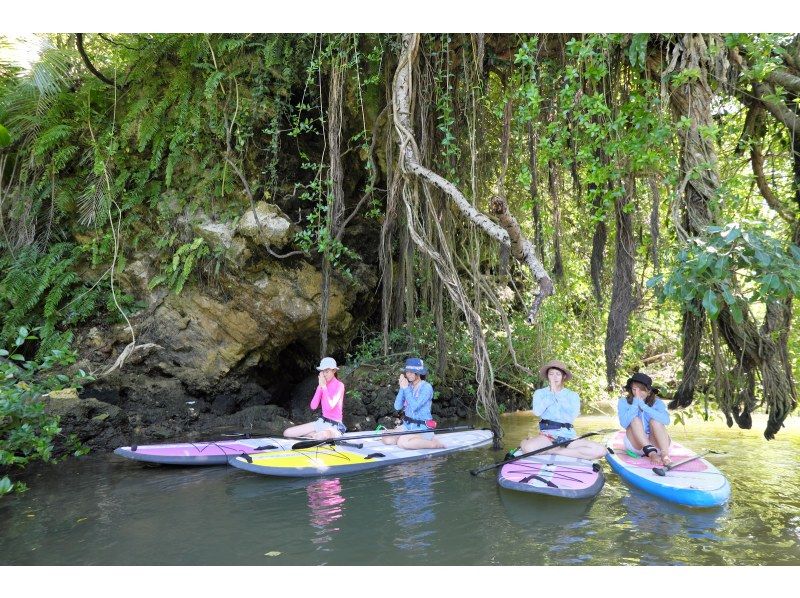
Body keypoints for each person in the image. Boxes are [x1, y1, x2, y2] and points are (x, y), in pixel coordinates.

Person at [519, 360, 606, 460]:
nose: (554, 377)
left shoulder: (573, 395)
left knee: (601, 451)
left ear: (563, 376)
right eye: (551, 374)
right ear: (547, 376)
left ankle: (557, 451)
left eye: (558, 374)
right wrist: (551, 394)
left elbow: (571, 416)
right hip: (548, 436)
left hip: (568, 437)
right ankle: (527, 441)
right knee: (528, 448)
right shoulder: (540, 393)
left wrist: (558, 394)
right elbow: (537, 412)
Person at [382, 357, 445, 450]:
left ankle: (434, 444)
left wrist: (406, 388)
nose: (409, 374)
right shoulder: (408, 386)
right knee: (387, 438)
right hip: (407, 426)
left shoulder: (426, 387)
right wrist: (402, 387)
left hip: (422, 428)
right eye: (407, 372)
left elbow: (414, 406)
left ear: (418, 373)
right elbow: (397, 406)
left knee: (402, 442)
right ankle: (409, 437)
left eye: (412, 372)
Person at [283, 357, 346, 440]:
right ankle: (314, 435)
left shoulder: (339, 385)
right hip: (321, 422)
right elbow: (313, 406)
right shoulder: (322, 385)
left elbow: (329, 407)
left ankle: (315, 435)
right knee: (287, 433)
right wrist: (320, 386)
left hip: (334, 425)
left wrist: (323, 387)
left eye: (327, 371)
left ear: (334, 371)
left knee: (321, 436)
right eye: (323, 371)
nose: (324, 374)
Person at [617, 372, 671, 465]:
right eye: (634, 389)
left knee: (655, 421)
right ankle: (652, 453)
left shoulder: (657, 403)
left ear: (649, 391)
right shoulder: (623, 402)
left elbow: (666, 421)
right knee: (635, 420)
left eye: (642, 390)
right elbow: (624, 423)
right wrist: (635, 404)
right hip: (636, 444)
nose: (637, 393)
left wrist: (644, 407)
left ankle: (665, 455)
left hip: (657, 442)